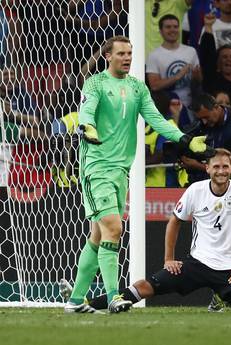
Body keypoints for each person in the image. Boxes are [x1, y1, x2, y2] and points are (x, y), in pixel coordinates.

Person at [64, 36, 208, 314]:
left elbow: (155, 118)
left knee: (98, 236)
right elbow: (87, 110)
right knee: (115, 229)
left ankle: (74, 301)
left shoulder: (137, 87)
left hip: (120, 170)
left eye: (130, 53)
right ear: (108, 55)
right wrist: (87, 127)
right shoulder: (95, 83)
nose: (127, 58)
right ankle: (113, 297)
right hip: (96, 166)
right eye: (121, 53)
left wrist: (185, 140)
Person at [64, 149, 231, 313]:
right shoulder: (195, 190)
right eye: (216, 166)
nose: (221, 171)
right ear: (207, 169)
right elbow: (174, 223)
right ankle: (86, 303)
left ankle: (220, 297)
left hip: (230, 270)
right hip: (198, 263)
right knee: (143, 287)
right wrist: (168, 259)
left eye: (225, 166)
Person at [146, 14, 201, 108]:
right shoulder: (153, 55)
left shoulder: (191, 51)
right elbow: (154, 85)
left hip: (191, 106)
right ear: (161, 31)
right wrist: (178, 76)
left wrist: (197, 76)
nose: (172, 30)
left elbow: (199, 80)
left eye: (175, 27)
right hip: (167, 107)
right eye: (168, 27)